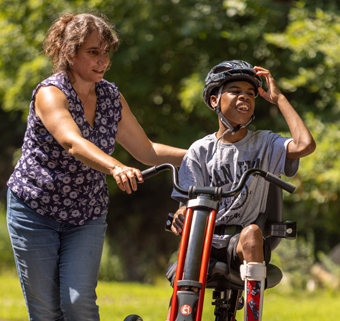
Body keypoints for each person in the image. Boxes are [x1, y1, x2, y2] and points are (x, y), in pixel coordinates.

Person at [6, 13, 186, 321]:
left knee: (78, 304)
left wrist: (205, 153)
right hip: (34, 211)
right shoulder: (50, 93)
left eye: (106, 53)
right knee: (46, 312)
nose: (103, 61)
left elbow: (147, 151)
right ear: (68, 51)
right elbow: (72, 142)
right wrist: (116, 167)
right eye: (93, 52)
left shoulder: (110, 96)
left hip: (85, 214)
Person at [167, 60, 316, 321]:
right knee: (191, 240)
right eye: (235, 91)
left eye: (250, 94)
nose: (244, 97)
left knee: (252, 232)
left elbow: (305, 145)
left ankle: (252, 314)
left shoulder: (266, 143)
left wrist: (279, 98)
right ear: (215, 101)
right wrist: (181, 212)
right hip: (205, 240)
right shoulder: (199, 151)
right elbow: (185, 203)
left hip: (244, 244)